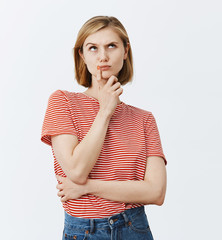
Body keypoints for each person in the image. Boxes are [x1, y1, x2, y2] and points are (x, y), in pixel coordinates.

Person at [41, 16, 167, 240]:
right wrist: (105, 110)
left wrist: (87, 187)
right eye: (93, 48)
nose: (103, 56)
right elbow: (76, 170)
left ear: (125, 51)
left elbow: (155, 192)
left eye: (112, 46)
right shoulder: (63, 102)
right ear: (82, 55)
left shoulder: (144, 119)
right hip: (85, 231)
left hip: (134, 228)